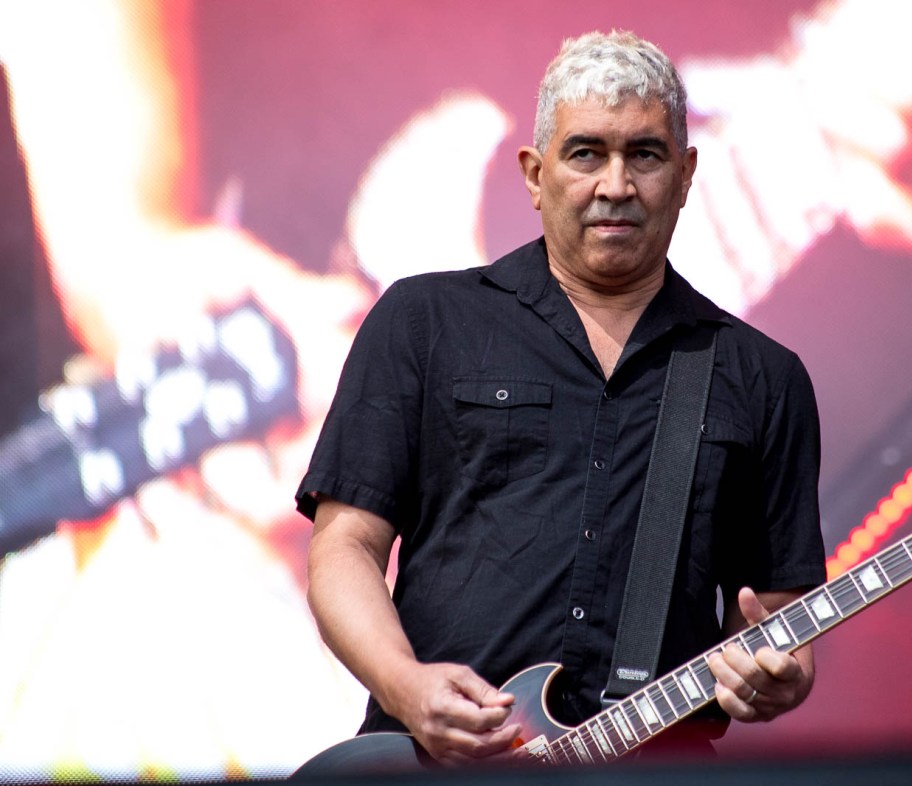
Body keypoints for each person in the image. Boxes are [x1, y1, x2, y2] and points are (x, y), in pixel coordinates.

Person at [296, 30, 826, 767]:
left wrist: (777, 675)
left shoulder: (762, 377)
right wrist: (407, 686)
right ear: (535, 174)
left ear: (685, 174)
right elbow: (344, 547)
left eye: (645, 155)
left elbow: (777, 621)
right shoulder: (423, 321)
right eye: (586, 154)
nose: (616, 185)